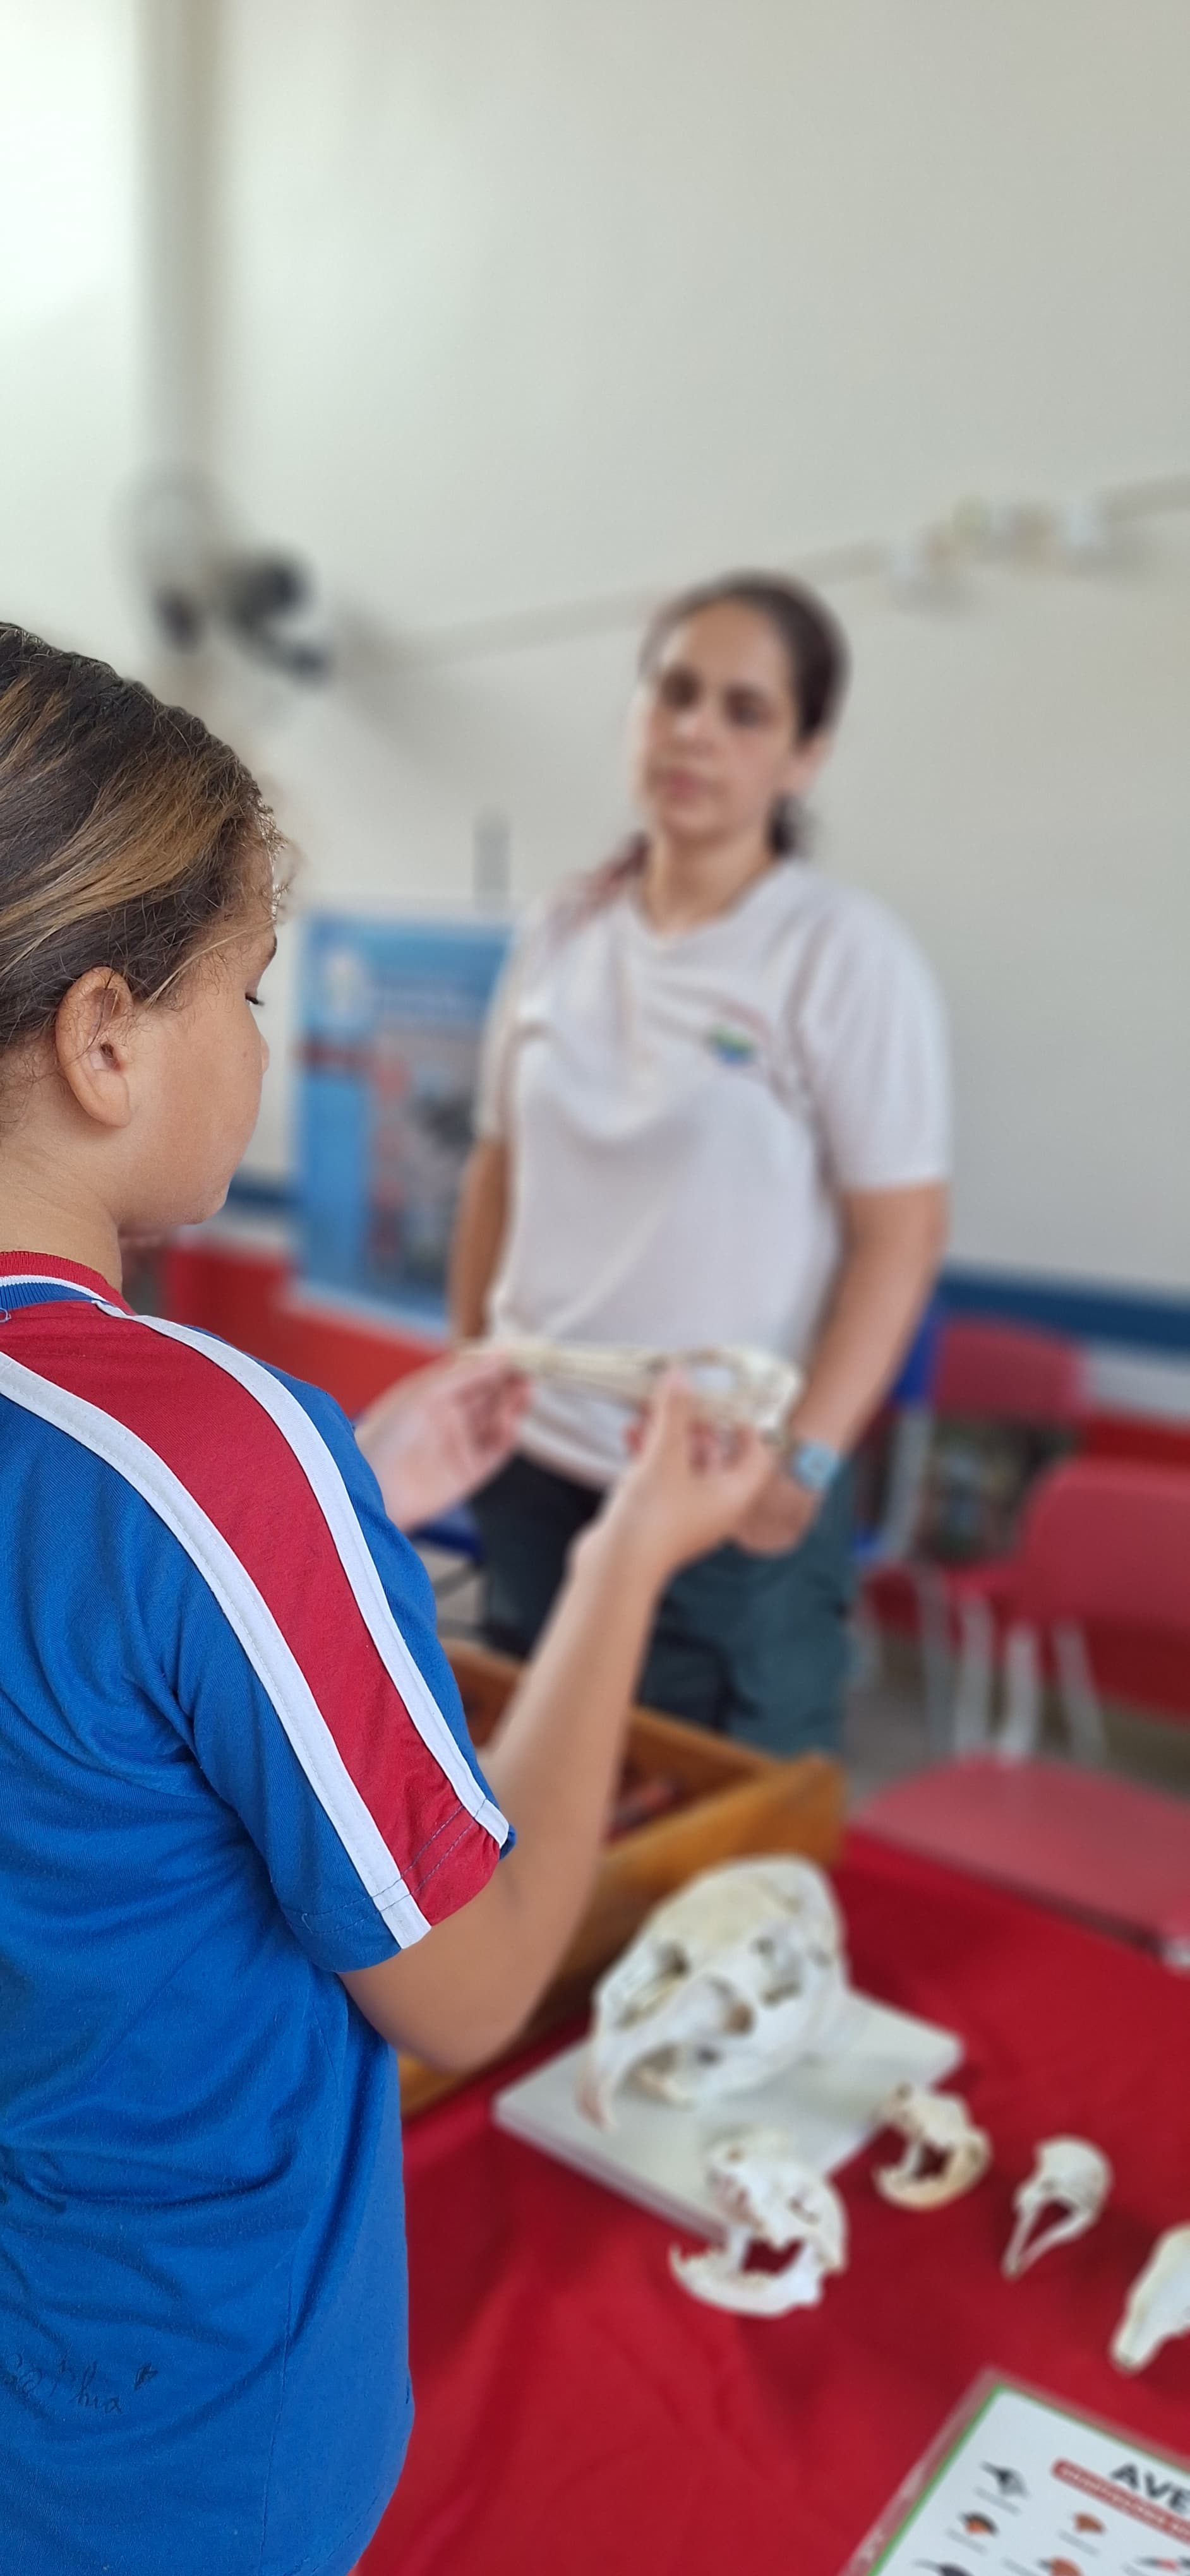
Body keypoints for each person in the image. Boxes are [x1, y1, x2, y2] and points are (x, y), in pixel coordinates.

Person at [0, 624, 775, 2576]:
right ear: (106, 1037)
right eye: (249, 990)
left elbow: (85, 1679)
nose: (264, 1050)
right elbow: (474, 1982)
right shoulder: (223, 1458)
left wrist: (355, 1494)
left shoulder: (213, 1473)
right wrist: (624, 1560)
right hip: (173, 2444)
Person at [452, 571, 950, 1756]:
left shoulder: (841, 954)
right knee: (530, 1810)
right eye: (674, 693)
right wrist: (473, 1366)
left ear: (805, 756)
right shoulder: (561, 933)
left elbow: (902, 1237)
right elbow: (496, 1172)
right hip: (534, 1466)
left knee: (712, 1829)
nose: (695, 731)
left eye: (744, 709)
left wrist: (805, 1460)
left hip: (721, 1490)